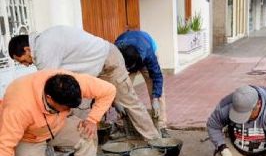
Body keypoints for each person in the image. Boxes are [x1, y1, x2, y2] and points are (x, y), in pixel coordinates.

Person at [8, 26, 160, 140]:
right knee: (81, 108)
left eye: (22, 61)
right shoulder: (44, 40)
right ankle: (85, 145)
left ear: (27, 49)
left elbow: (47, 83)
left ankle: (153, 139)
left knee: (128, 101)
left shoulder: (43, 50)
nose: (25, 65)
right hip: (93, 68)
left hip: (108, 61)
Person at [0, 70, 115, 156]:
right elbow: (5, 146)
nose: (68, 109)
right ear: (49, 98)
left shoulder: (69, 82)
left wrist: (92, 120)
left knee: (88, 134)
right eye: (65, 107)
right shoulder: (18, 107)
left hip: (57, 125)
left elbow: (109, 90)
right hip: (28, 137)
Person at [115, 29, 168, 137]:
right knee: (122, 89)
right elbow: (113, 79)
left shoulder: (148, 53)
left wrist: (155, 98)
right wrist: (115, 100)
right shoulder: (116, 52)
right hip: (126, 59)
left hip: (145, 53)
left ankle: (161, 126)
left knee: (158, 92)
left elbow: (157, 76)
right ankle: (121, 126)